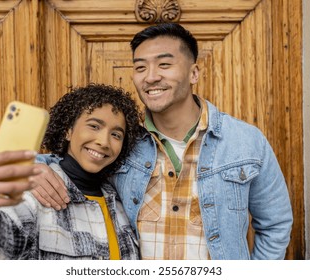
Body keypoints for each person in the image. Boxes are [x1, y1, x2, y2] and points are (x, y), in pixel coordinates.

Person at [33, 23, 293, 260]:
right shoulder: (123, 141)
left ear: (193, 73)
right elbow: (72, 161)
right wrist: (28, 166)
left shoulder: (245, 141)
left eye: (164, 65)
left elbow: (275, 225)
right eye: (140, 67)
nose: (150, 77)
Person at [0, 83, 141, 260]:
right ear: (68, 131)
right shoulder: (34, 193)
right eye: (94, 126)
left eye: (116, 134)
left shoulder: (123, 203)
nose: (104, 142)